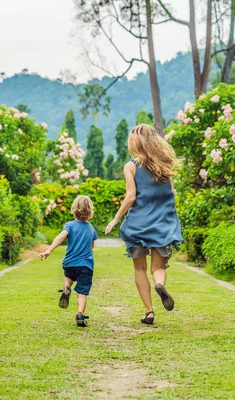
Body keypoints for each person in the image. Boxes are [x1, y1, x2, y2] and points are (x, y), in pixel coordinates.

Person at [105, 124, 183, 325]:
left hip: (138, 225)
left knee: (139, 269)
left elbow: (130, 197)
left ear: (134, 142)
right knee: (158, 267)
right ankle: (159, 284)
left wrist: (116, 219)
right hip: (162, 226)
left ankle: (149, 312)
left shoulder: (130, 166)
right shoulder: (165, 166)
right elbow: (171, 194)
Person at [39, 196, 98, 327]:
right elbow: (92, 246)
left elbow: (61, 237)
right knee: (82, 292)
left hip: (70, 263)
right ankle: (80, 315)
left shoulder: (69, 225)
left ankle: (67, 288)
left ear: (73, 209)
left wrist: (49, 250)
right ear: (90, 210)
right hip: (86, 265)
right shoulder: (91, 228)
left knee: (68, 276)